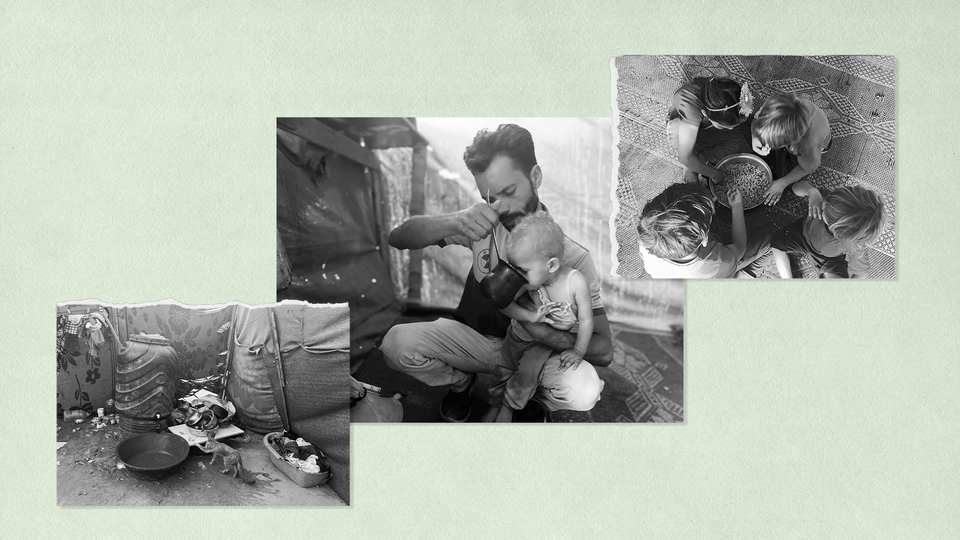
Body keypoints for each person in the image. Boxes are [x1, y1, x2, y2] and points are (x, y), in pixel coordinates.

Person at [381, 123, 613, 422]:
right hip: (474, 341)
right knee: (396, 344)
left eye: (509, 191)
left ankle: (531, 398)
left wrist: (540, 331)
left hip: (532, 350)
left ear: (535, 177)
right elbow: (398, 237)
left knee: (583, 389)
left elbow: (604, 350)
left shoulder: (572, 256)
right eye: (490, 198)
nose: (500, 207)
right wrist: (452, 221)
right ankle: (460, 383)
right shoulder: (481, 226)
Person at [481, 212, 596, 423]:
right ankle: (495, 404)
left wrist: (578, 351)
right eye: (513, 266)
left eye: (522, 269)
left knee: (526, 373)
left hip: (541, 345)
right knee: (503, 370)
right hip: (516, 336)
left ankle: (509, 407)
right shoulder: (527, 279)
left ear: (551, 265)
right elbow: (504, 304)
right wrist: (530, 316)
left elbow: (587, 320)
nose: (516, 273)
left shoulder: (575, 283)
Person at [638, 182, 772, 279]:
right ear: (705, 239)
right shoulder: (717, 261)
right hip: (713, 276)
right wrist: (737, 206)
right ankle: (745, 276)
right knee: (771, 237)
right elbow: (740, 247)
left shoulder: (646, 236)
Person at [770, 183, 886, 278]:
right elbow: (796, 187)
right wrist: (812, 191)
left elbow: (862, 273)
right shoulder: (829, 199)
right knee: (777, 245)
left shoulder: (853, 244)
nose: (823, 204)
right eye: (827, 202)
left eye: (824, 211)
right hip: (802, 234)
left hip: (829, 259)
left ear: (837, 230)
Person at [667, 77, 755, 185]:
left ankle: (700, 159)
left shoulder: (730, 93)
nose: (731, 129)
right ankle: (692, 165)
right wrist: (715, 174)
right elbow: (684, 157)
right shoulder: (688, 106)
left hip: (706, 125)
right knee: (684, 150)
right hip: (687, 130)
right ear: (705, 114)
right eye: (725, 126)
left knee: (748, 141)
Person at [750, 93, 832, 206]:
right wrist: (754, 135)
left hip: (816, 146)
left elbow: (808, 168)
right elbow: (757, 118)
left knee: (789, 179)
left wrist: (782, 183)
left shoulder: (808, 144)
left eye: (776, 144)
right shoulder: (776, 105)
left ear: (790, 143)